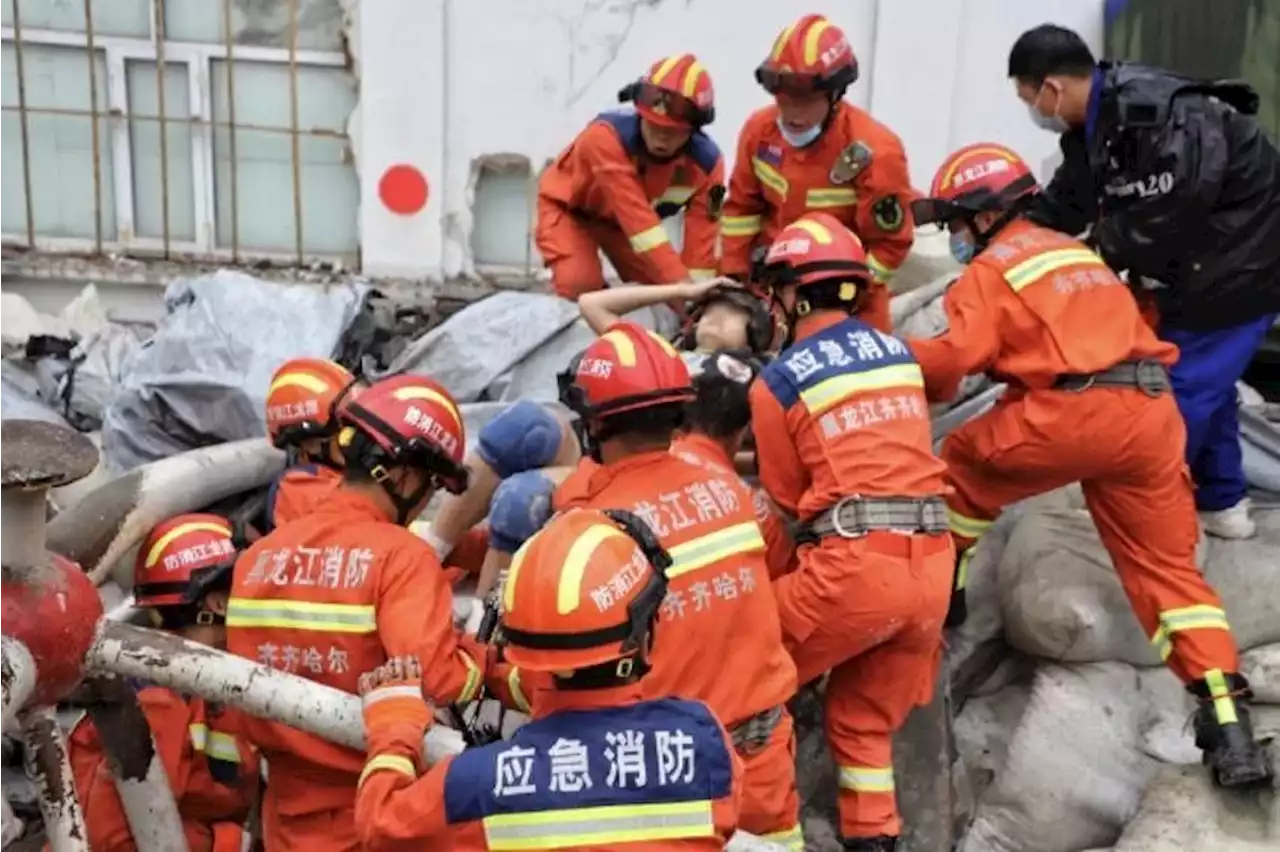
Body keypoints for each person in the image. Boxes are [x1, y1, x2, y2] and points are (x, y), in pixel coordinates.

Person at [907, 141, 1273, 789]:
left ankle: (945, 595)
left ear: (986, 216)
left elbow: (955, 359)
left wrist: (895, 359)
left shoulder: (993, 271)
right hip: (1151, 414)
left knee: (961, 461)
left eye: (959, 223)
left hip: (1071, 416)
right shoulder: (1080, 253)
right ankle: (1226, 722)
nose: (958, 238)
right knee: (1168, 577)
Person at [1008, 23, 1280, 539]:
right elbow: (1066, 200)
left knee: (1179, 398)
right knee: (1210, 390)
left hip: (1242, 269)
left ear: (1052, 89)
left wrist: (1094, 252)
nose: (1034, 111)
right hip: (1198, 273)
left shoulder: (1166, 116)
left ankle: (1148, 516)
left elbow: (1175, 205)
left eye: (1030, 99)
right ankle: (1225, 502)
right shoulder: (1097, 126)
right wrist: (1014, 243)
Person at [539, 323, 804, 849]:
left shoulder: (594, 523)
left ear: (593, 425)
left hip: (671, 769)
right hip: (763, 754)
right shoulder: (725, 486)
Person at [353, 508, 742, 849]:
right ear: (640, 637)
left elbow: (381, 825)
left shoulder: (480, 782)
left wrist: (393, 722)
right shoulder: (704, 743)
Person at [749, 212, 954, 851]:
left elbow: (787, 502)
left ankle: (763, 835)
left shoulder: (778, 381)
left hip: (856, 569)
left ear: (793, 291)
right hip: (933, 568)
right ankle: (874, 841)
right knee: (861, 723)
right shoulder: (895, 354)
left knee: (741, 673)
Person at [226, 374, 491, 851]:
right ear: (404, 476)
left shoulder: (257, 559)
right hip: (373, 811)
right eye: (432, 486)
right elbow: (438, 678)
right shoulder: (400, 557)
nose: (427, 500)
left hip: (286, 815)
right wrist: (483, 660)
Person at [66, 514, 259, 852]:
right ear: (218, 604)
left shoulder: (209, 679)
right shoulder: (155, 699)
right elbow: (116, 838)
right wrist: (231, 843)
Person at [719, 13, 914, 333]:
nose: (793, 114)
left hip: (848, 303)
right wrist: (734, 282)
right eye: (784, 100)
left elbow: (889, 246)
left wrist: (844, 294)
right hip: (773, 292)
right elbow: (741, 209)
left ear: (834, 95)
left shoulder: (877, 151)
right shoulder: (759, 132)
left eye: (806, 101)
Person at [536, 53, 725, 301]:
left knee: (668, 299)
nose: (661, 137)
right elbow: (638, 220)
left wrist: (697, 299)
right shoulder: (603, 138)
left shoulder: (710, 166)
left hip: (622, 228)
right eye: (654, 125)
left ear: (693, 129)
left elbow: (704, 238)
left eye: (672, 131)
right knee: (580, 284)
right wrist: (683, 286)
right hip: (569, 211)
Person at [263, 357, 358, 531]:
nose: (363, 438)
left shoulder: (346, 471)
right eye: (349, 433)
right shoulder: (299, 490)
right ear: (311, 444)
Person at [578, 278, 777, 358]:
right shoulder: (662, 360)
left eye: (733, 313)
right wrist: (682, 290)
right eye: (710, 311)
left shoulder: (758, 382)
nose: (717, 317)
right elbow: (591, 304)